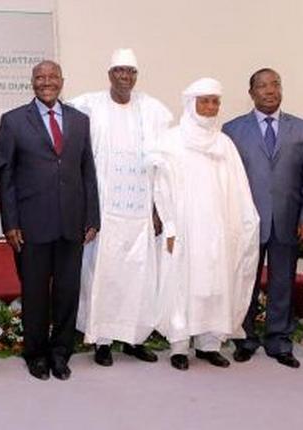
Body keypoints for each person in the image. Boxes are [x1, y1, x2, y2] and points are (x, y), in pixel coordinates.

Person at [69, 49, 172, 366]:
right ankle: (102, 341)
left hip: (140, 214)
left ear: (136, 76)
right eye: (119, 70)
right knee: (104, 275)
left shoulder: (154, 110)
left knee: (139, 277)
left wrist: (159, 210)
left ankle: (133, 338)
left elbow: (164, 165)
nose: (125, 76)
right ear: (109, 74)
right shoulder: (89, 105)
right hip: (105, 211)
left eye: (130, 71)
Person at [0, 60, 99, 381]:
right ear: (32, 82)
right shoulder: (13, 121)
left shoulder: (80, 121)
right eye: (40, 77)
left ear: (62, 81)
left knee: (67, 293)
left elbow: (88, 172)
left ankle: (61, 353)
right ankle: (36, 354)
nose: (46, 82)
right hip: (31, 225)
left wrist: (92, 216)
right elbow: (6, 177)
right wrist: (10, 223)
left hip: (72, 223)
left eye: (52, 77)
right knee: (36, 294)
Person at [150, 78, 259, 371]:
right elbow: (161, 188)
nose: (210, 107)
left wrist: (242, 225)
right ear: (191, 103)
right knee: (182, 283)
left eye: (215, 101)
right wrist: (170, 226)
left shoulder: (224, 144)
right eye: (204, 101)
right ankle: (179, 346)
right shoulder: (172, 140)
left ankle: (209, 345)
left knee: (214, 283)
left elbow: (238, 190)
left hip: (217, 231)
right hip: (185, 230)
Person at [223, 68, 303, 368]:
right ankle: (245, 338)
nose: (270, 91)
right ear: (251, 93)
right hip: (245, 223)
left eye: (275, 85)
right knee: (246, 282)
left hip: (287, 219)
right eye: (263, 86)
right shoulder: (232, 131)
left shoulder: (300, 129)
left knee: (282, 281)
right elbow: (226, 181)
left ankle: (279, 341)